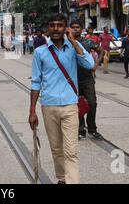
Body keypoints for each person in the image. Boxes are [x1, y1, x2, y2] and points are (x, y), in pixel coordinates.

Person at [29, 14, 94, 184]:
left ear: (66, 28)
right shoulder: (40, 52)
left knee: (71, 151)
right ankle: (61, 178)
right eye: (52, 25)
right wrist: (32, 111)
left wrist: (73, 40)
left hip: (70, 106)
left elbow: (89, 64)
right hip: (48, 106)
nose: (56, 28)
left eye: (60, 25)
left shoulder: (73, 48)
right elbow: (36, 82)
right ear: (48, 28)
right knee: (56, 149)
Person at [70, 20, 104, 140]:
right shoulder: (67, 43)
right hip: (73, 80)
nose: (75, 29)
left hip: (87, 79)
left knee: (92, 104)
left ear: (82, 28)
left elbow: (101, 51)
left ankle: (92, 129)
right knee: (76, 106)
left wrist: (96, 64)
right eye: (73, 27)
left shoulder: (88, 42)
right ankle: (80, 130)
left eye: (77, 27)